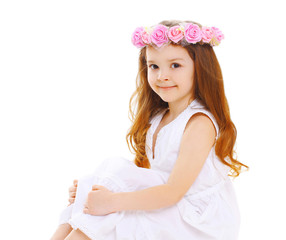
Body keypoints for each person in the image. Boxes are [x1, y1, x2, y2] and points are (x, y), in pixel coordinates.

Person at [50, 20, 248, 240]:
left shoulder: (199, 123)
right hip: (171, 208)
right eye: (154, 66)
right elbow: (144, 176)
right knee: (107, 179)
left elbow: (173, 192)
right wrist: (93, 191)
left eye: (175, 65)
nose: (162, 75)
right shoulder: (158, 118)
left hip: (198, 221)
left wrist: (111, 200)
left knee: (113, 194)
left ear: (200, 67)